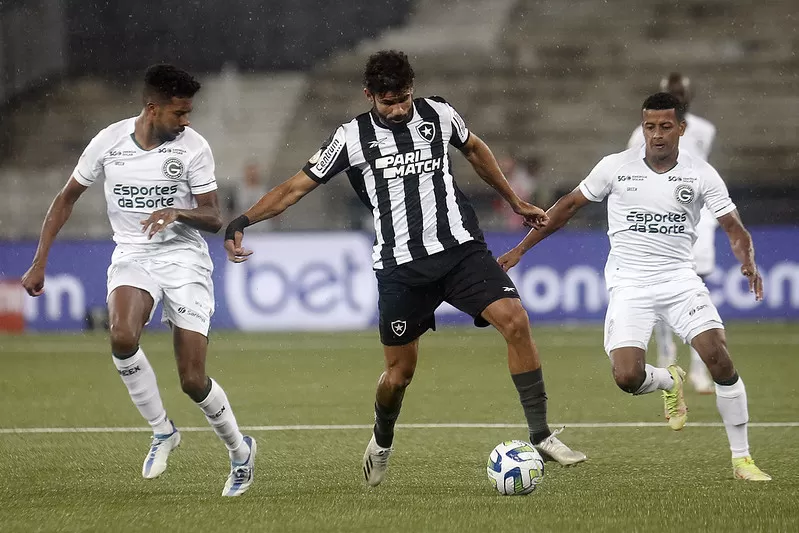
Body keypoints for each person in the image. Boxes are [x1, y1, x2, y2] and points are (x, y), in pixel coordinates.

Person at [223, 50, 586, 487]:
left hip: (460, 250)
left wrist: (514, 200)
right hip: (401, 267)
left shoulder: (437, 114)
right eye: (388, 102)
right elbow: (296, 187)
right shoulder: (352, 137)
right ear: (369, 95)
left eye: (404, 100)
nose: (398, 110)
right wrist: (243, 220)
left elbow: (474, 148)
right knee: (399, 375)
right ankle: (382, 438)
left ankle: (541, 434)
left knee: (515, 320)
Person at [498, 92, 770, 481]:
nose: (656, 135)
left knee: (718, 357)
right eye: (649, 127)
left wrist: (747, 257)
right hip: (630, 283)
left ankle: (742, 459)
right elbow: (567, 207)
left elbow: (734, 227)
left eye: (665, 126)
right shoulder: (615, 167)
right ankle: (669, 379)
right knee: (627, 377)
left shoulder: (701, 173)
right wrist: (521, 249)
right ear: (642, 127)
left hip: (679, 279)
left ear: (681, 128)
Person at [21, 64, 256, 496]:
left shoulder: (193, 148)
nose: (187, 121)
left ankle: (240, 452)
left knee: (192, 380)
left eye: (189, 113)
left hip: (185, 260)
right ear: (153, 109)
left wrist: (177, 211)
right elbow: (66, 198)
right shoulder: (108, 142)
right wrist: (40, 261)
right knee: (122, 336)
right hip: (134, 253)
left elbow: (214, 216)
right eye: (180, 113)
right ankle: (163, 431)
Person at [627, 73, 717, 393]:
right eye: (673, 92)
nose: (679, 96)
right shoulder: (641, 134)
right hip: (661, 220)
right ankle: (667, 357)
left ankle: (699, 368)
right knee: (663, 291)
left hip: (699, 220)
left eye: (683, 92)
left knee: (698, 292)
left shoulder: (705, 130)